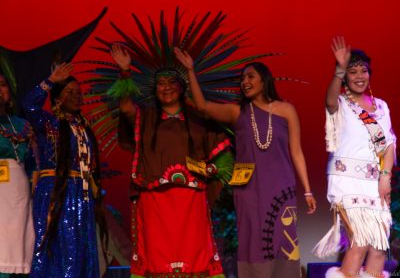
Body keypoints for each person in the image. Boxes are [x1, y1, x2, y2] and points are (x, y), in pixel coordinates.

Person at [175, 47, 317, 278]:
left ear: (264, 79)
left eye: (250, 76)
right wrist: (190, 70)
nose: (245, 82)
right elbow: (201, 107)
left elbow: (297, 152)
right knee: (253, 240)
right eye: (242, 78)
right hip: (249, 189)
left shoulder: (286, 110)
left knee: (283, 237)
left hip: (281, 187)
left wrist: (308, 191)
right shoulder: (237, 112)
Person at [111, 44, 232, 277]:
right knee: (157, 262)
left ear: (182, 86)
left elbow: (224, 159)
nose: (166, 88)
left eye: (171, 82)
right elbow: (125, 107)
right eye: (161, 84)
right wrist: (125, 71)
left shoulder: (198, 118)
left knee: (195, 261)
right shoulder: (145, 117)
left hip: (191, 201)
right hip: (155, 201)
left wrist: (212, 168)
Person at [313, 36, 396, 278]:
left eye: (363, 71)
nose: (359, 76)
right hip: (346, 182)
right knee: (359, 242)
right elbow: (328, 100)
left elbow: (388, 146)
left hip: (375, 183)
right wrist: (338, 69)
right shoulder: (340, 103)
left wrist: (385, 177)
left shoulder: (381, 106)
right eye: (353, 71)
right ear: (345, 77)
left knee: (380, 247)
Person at [22, 63, 108, 277]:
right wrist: (50, 81)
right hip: (55, 194)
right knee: (60, 247)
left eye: (79, 93)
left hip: (81, 194)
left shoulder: (83, 128)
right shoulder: (48, 123)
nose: (77, 96)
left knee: (80, 248)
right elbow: (28, 105)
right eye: (70, 92)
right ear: (58, 98)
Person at [0, 71, 35, 277]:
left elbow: (32, 164)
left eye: (3, 85)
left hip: (19, 198)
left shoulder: (22, 125)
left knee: (19, 250)